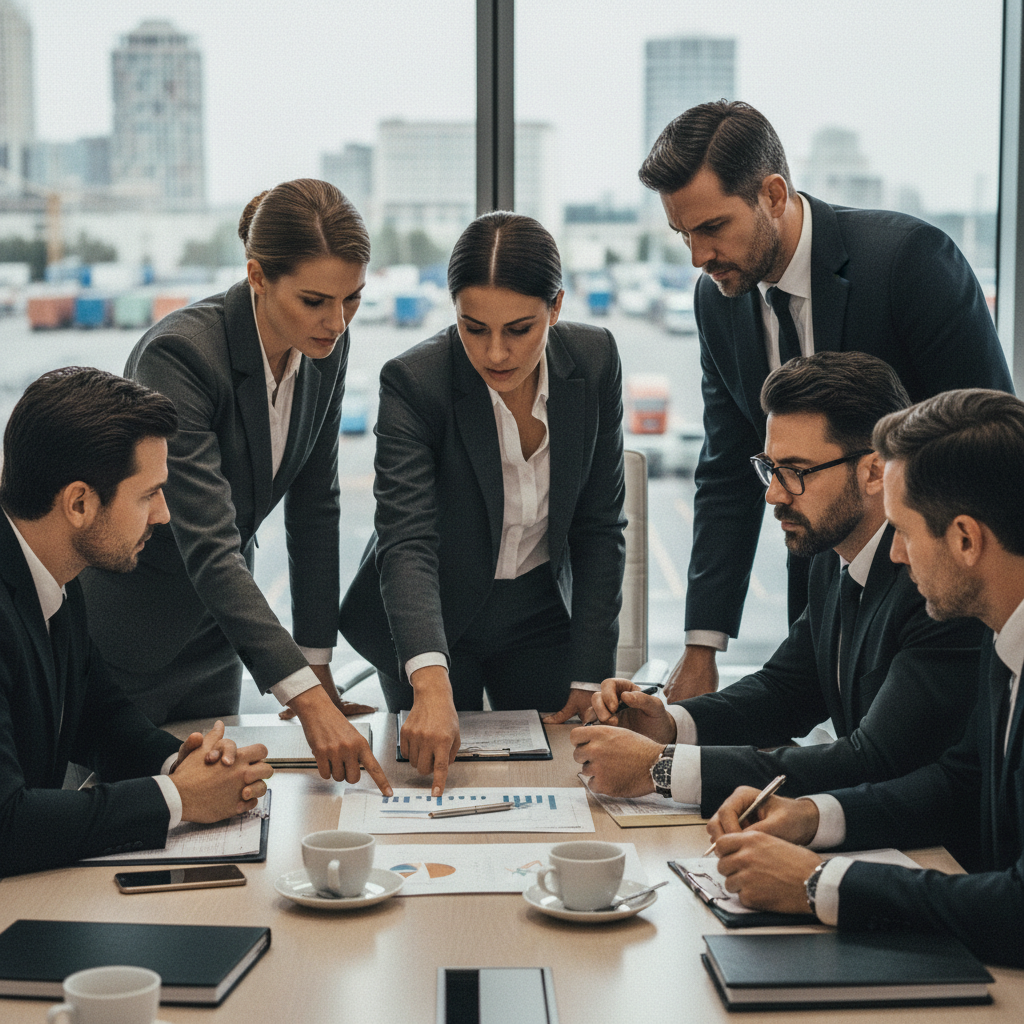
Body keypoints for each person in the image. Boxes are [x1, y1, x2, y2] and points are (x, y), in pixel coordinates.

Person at [638, 100, 1014, 702]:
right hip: (818, 572)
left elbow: (989, 447)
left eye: (712, 228)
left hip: (935, 596)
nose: (697, 256)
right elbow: (728, 470)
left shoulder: (908, 262)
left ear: (773, 194)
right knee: (815, 729)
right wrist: (702, 645)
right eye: (683, 234)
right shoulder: (717, 301)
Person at [570, 351, 985, 815]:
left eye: (795, 472)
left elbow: (874, 760)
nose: (773, 493)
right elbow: (787, 691)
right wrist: (668, 724)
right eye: (770, 468)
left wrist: (661, 768)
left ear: (873, 472)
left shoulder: (935, 582)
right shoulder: (832, 554)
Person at [79, 179, 391, 793]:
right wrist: (305, 698)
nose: (336, 321)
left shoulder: (325, 347)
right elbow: (209, 542)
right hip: (130, 639)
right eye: (314, 300)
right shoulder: (180, 355)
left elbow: (316, 507)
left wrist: (317, 662)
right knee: (106, 813)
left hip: (217, 634)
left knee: (213, 807)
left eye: (352, 299)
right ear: (257, 276)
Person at [706, 388, 1024, 968]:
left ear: (965, 539)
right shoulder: (1005, 636)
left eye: (903, 531)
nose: (895, 555)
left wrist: (818, 884)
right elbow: (960, 782)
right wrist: (811, 816)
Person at [340, 211, 627, 795]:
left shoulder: (594, 360)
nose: (496, 353)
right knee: (434, 780)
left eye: (519, 329)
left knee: (560, 777)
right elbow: (407, 541)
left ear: (556, 306)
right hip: (431, 614)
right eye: (473, 328)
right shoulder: (414, 381)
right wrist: (428, 680)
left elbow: (600, 525)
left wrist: (590, 670)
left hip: (540, 613)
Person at [0, 367, 275, 878]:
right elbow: (6, 824)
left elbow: (97, 717)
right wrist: (178, 798)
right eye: (149, 494)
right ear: (79, 503)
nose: (164, 515)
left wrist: (184, 765)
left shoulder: (54, 570)